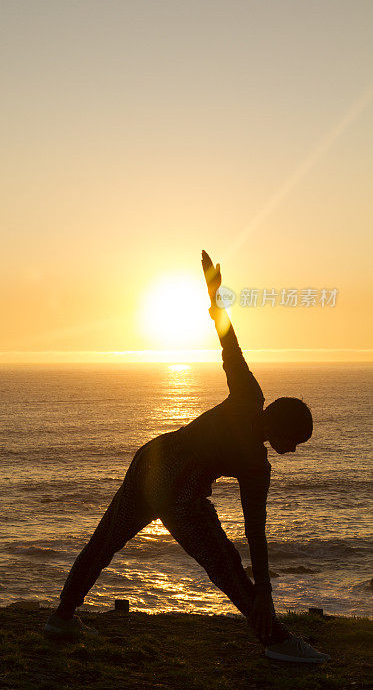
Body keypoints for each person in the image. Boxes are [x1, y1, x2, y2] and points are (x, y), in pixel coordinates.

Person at [44, 251, 330, 663]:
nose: (296, 449)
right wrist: (217, 301)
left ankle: (62, 616)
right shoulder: (255, 455)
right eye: (296, 439)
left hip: (152, 461)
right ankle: (276, 641)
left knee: (107, 542)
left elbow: (256, 532)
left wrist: (218, 300)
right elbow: (230, 345)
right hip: (172, 481)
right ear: (279, 425)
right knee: (223, 563)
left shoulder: (252, 413)